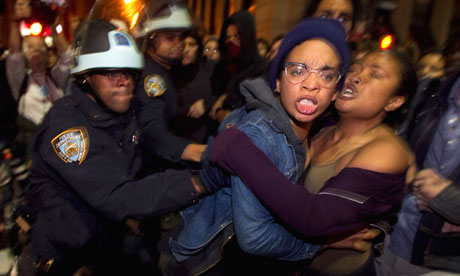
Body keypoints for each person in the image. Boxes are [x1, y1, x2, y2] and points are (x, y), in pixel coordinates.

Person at [161, 18, 369, 276]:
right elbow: (256, 238)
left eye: (326, 75)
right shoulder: (259, 136)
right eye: (297, 70)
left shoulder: (316, 131)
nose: (312, 84)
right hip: (208, 263)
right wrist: (320, 243)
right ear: (278, 82)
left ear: (336, 90)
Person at [20, 19, 226, 276]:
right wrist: (199, 182)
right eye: (110, 73)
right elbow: (118, 195)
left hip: (102, 233)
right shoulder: (67, 130)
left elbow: (141, 157)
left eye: (129, 72)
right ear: (86, 77)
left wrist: (203, 154)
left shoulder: (121, 116)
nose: (124, 81)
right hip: (60, 252)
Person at [209, 46, 418, 275]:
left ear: (395, 101)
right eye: (355, 69)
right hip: (282, 263)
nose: (357, 77)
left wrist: (238, 151)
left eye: (374, 74)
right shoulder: (320, 124)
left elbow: (314, 217)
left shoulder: (387, 151)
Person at [375, 32, 460, 275]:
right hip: (392, 240)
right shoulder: (431, 92)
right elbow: (398, 149)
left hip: (445, 262)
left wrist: (447, 199)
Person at [133, 0, 206, 171]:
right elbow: (151, 131)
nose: (178, 44)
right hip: (151, 170)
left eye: (180, 37)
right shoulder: (153, 78)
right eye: (170, 38)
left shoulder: (165, 70)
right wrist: (197, 152)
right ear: (150, 40)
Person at [208, 10, 267, 124]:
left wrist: (223, 108)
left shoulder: (261, 67)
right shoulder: (220, 68)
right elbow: (211, 98)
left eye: (236, 36)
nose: (230, 42)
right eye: (227, 37)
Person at [171, 29, 216, 144]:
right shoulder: (170, 72)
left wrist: (207, 103)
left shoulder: (210, 68)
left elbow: (224, 93)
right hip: (178, 141)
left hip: (206, 140)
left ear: (199, 47)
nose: (186, 50)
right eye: (183, 45)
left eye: (191, 45)